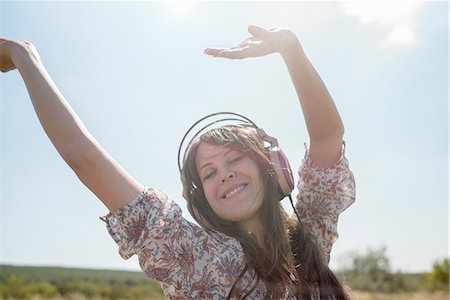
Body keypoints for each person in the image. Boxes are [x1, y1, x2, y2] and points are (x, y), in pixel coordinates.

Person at [1, 25, 355, 299]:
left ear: (270, 167)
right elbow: (85, 158)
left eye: (234, 158)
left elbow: (326, 138)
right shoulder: (189, 255)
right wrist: (24, 56)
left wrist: (290, 48)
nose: (226, 173)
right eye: (209, 172)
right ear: (202, 198)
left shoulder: (310, 232)